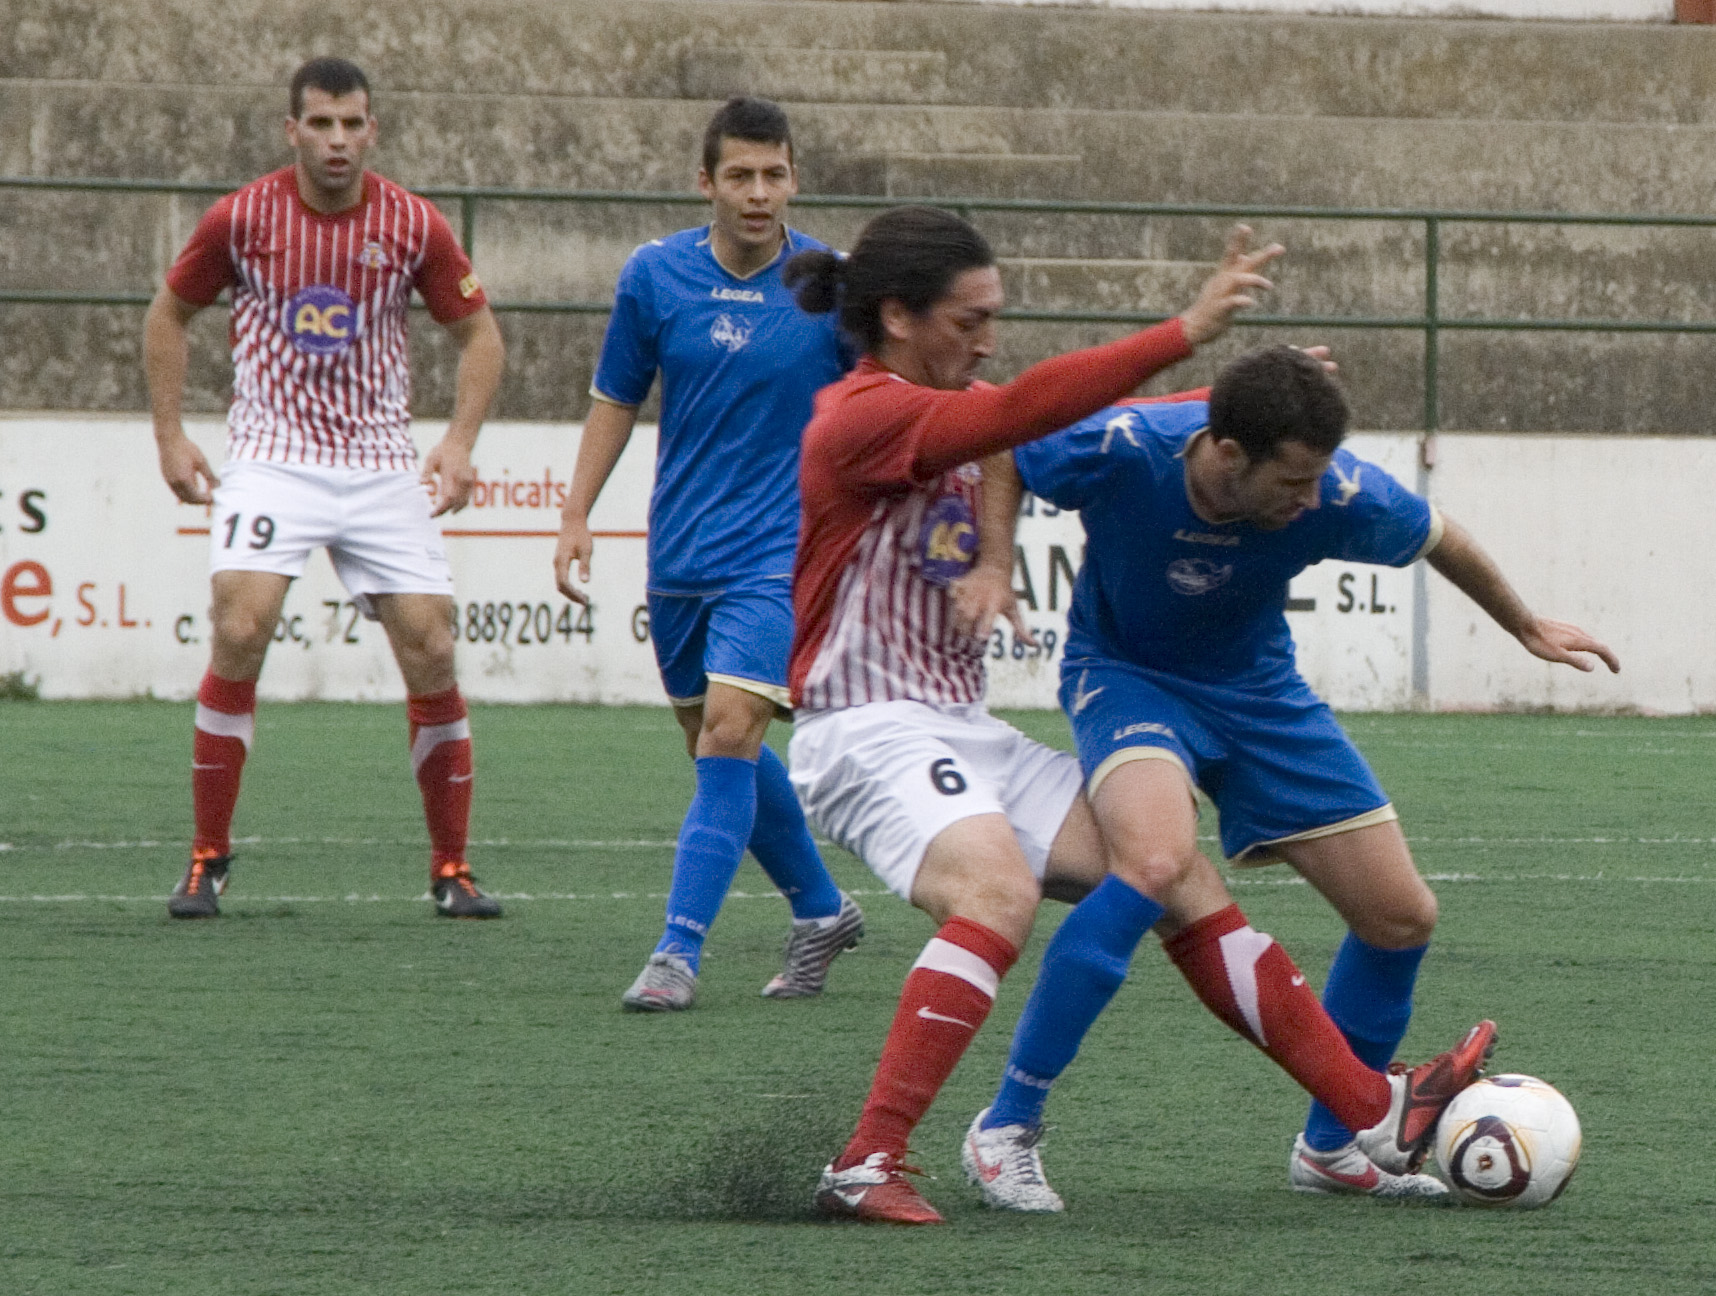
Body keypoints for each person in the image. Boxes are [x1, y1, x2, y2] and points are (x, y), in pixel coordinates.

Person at [782, 208, 1494, 1225]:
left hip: (954, 725)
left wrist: (1256, 392)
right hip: (864, 724)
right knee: (996, 891)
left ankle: (1371, 1112)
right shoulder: (861, 414)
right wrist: (1187, 333)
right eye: (970, 318)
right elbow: (1022, 412)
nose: (987, 339)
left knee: (1175, 877)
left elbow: (1024, 425)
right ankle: (868, 1160)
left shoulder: (948, 399)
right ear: (896, 316)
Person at [964, 344, 1615, 1209]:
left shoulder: (1339, 494)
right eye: (1294, 481)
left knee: (1400, 915)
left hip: (1260, 694)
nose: (1315, 498)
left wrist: (1525, 625)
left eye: (1319, 480)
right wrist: (994, 562)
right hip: (1126, 680)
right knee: (1156, 864)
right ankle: (1007, 1125)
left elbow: (1439, 537)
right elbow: (1008, 441)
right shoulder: (1124, 447)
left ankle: (1331, 1147)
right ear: (1227, 454)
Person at [143, 57, 506, 920]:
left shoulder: (414, 223)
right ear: (292, 130)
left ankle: (452, 870)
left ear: (371, 130)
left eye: (352, 124)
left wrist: (457, 443)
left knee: (431, 647)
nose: (337, 140)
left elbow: (480, 337)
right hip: (273, 452)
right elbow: (168, 316)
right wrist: (170, 435)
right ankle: (206, 859)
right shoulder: (242, 217)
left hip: (381, 460)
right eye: (321, 124)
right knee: (241, 622)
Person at [552, 97, 862, 1011]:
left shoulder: (831, 285)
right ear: (707, 183)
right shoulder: (655, 276)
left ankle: (677, 953)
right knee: (714, 749)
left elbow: (885, 397)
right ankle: (820, 908)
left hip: (780, 550)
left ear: (794, 179)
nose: (758, 193)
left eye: (774, 175)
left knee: (732, 727)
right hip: (680, 549)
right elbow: (617, 395)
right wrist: (575, 512)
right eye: (740, 176)